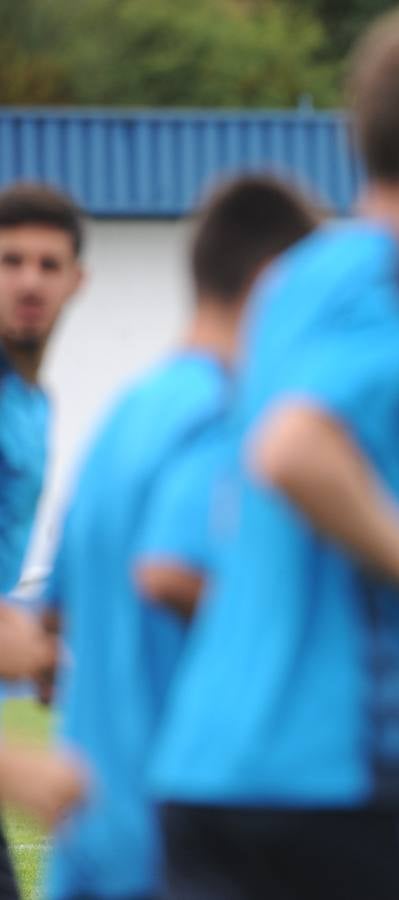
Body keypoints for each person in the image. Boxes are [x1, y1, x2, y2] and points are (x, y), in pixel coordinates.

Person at [148, 4, 399, 897]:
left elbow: (310, 451)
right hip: (326, 769)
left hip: (209, 763)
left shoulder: (300, 276)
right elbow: (295, 450)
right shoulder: (398, 278)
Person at [37, 175, 319, 900]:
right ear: (273, 283)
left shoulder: (124, 416)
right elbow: (169, 571)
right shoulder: (224, 413)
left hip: (90, 845)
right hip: (177, 850)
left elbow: (50, 633)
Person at [0, 182, 87, 899]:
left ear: (76, 281)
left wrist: (36, 632)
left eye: (47, 264)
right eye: (10, 261)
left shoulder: (32, 404)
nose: (29, 280)